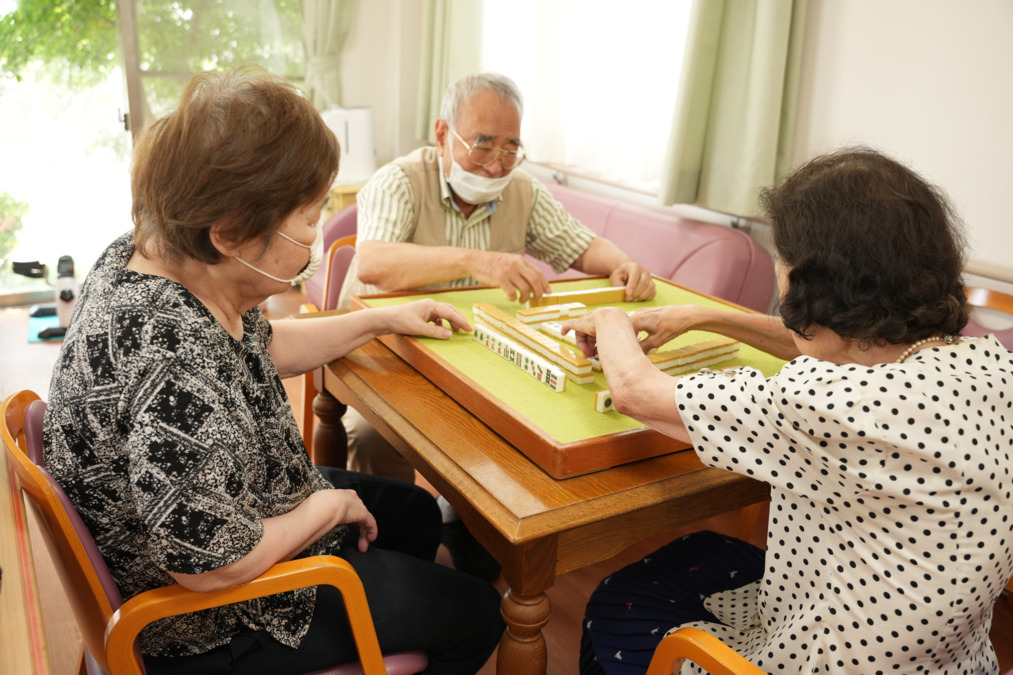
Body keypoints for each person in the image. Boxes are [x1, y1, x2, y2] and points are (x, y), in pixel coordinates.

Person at [42, 67, 504, 675]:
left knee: (415, 514)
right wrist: (330, 508)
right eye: (310, 218)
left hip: (233, 510)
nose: (316, 240)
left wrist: (380, 320)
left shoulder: (157, 255)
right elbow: (209, 564)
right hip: (215, 619)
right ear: (232, 233)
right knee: (480, 613)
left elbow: (263, 347)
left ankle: (389, 615)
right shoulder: (171, 362)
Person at [561, 147, 1013, 674]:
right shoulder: (990, 366)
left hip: (816, 661)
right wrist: (700, 316)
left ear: (817, 282)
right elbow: (836, 342)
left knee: (616, 603)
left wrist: (612, 321)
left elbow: (638, 392)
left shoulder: (824, 403)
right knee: (708, 548)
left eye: (782, 254)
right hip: (950, 660)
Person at [335, 72, 658, 579]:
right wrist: (479, 262)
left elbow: (580, 245)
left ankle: (472, 527)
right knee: (375, 436)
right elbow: (374, 263)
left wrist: (622, 263)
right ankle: (391, 549)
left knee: (519, 428)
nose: (496, 162)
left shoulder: (522, 191)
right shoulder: (398, 180)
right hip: (389, 346)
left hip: (473, 350)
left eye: (511, 148)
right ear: (443, 134)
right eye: (483, 144)